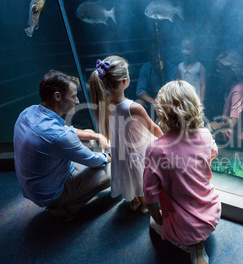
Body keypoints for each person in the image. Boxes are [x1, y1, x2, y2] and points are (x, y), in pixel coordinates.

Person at [14, 70, 111, 222]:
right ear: (57, 96)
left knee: (89, 134)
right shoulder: (57, 136)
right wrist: (110, 157)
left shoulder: (28, 112)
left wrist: (97, 135)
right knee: (112, 171)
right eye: (73, 96)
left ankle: (65, 197)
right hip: (48, 193)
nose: (77, 101)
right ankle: (66, 208)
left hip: (34, 185)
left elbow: (68, 131)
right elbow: (95, 160)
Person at [143, 81, 221, 264]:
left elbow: (150, 196)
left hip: (185, 225)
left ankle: (190, 247)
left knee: (155, 225)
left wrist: (159, 219)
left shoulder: (156, 149)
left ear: (162, 112)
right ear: (195, 106)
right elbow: (214, 153)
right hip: (212, 211)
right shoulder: (204, 134)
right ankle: (197, 244)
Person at [90, 56, 163, 214]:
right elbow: (153, 128)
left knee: (126, 174)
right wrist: (166, 141)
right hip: (136, 149)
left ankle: (134, 201)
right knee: (140, 175)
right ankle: (145, 204)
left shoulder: (103, 104)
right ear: (125, 81)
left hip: (119, 150)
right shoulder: (133, 107)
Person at [209, 50, 243, 146]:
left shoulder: (238, 91)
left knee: (209, 137)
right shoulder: (231, 83)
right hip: (236, 127)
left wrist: (218, 126)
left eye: (220, 69)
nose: (217, 71)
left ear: (231, 70)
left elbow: (233, 121)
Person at [135, 52, 176, 117]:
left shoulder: (172, 69)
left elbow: (171, 92)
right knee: (138, 103)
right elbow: (140, 91)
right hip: (150, 102)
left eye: (160, 63)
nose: (158, 66)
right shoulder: (146, 67)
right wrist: (153, 102)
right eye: (155, 63)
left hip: (167, 102)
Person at [177, 36, 206, 103]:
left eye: (188, 49)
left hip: (195, 101)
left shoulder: (200, 67)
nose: (185, 51)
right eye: (183, 48)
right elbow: (177, 85)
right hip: (183, 101)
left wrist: (201, 100)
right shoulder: (179, 67)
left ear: (195, 50)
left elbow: (202, 85)